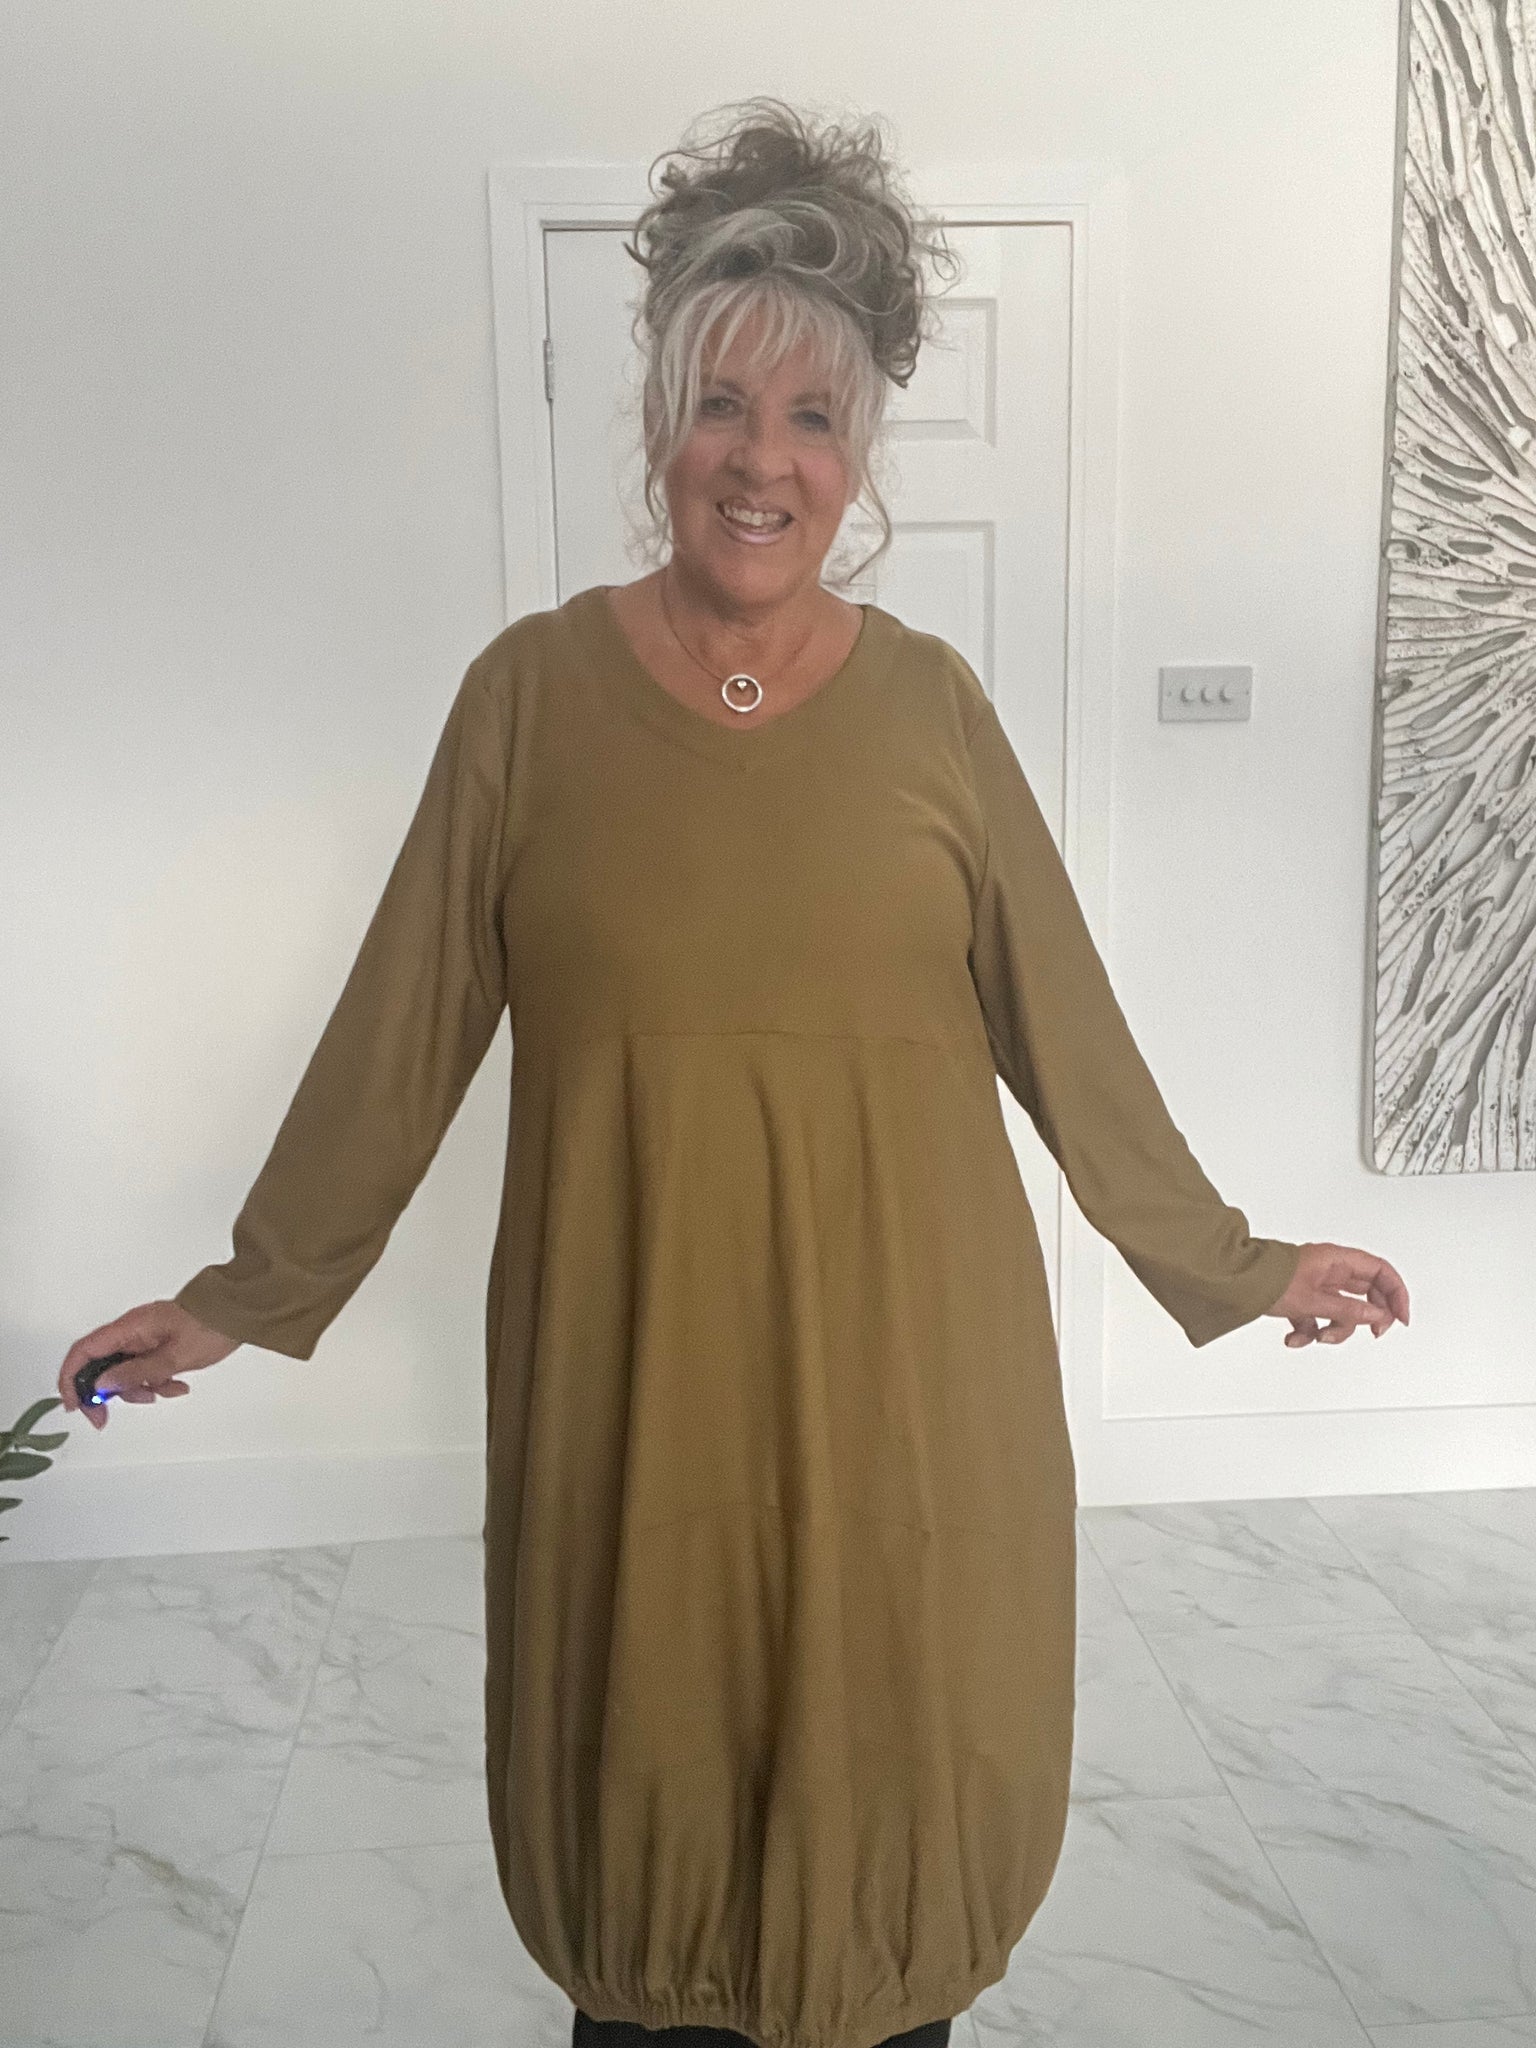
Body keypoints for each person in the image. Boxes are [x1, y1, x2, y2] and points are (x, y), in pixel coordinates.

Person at [57, 95, 1409, 2048]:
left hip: (908, 1385)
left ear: (859, 461)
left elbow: (1069, 1027)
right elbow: (399, 1028)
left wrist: (1241, 1262)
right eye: (722, 405)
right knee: (649, 1829)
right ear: (657, 425)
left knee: (888, 1850)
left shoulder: (933, 709)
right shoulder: (529, 698)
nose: (762, 459)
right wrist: (240, 1298)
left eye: (813, 419)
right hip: (635, 1375)